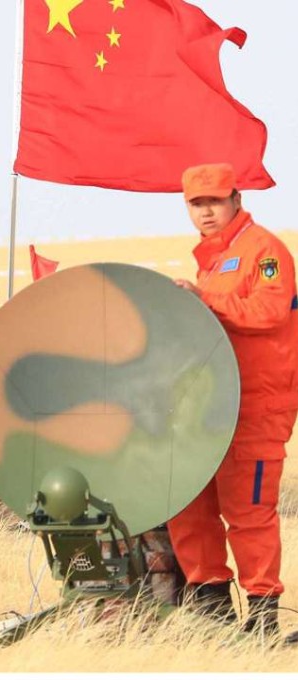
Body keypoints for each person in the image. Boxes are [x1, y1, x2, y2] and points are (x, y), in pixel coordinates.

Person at [168, 163, 298, 637]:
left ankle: (263, 617)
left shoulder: (264, 250)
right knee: (188, 501)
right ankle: (211, 607)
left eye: (214, 201)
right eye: (196, 204)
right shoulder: (212, 259)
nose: (206, 212)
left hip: (257, 406)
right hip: (210, 406)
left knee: (248, 512)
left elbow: (269, 311)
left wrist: (205, 299)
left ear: (236, 200)